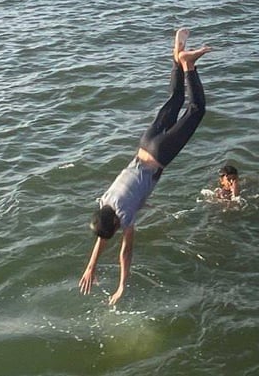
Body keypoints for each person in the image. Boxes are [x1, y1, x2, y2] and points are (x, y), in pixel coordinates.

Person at [79, 28, 211, 305]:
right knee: (175, 100)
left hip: (158, 154)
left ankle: (188, 64)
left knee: (196, 110)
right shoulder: (107, 201)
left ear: (116, 222)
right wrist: (91, 265)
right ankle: (177, 56)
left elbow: (125, 252)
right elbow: (102, 233)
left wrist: (121, 286)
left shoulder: (124, 216)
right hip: (145, 143)